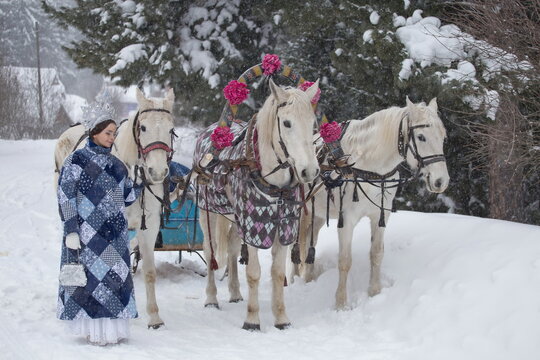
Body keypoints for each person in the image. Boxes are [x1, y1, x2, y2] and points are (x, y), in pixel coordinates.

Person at [56, 91, 142, 345]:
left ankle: (113, 331)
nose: (112, 137)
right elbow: (65, 197)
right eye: (108, 133)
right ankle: (92, 331)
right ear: (94, 132)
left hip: (114, 234)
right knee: (90, 282)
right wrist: (71, 229)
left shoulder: (117, 165)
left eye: (115, 133)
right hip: (85, 233)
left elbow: (127, 197)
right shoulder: (76, 161)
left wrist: (144, 182)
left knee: (114, 280)